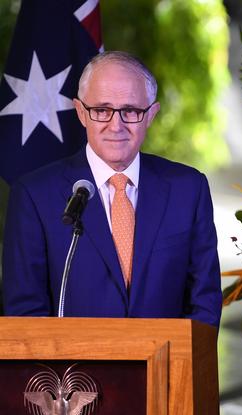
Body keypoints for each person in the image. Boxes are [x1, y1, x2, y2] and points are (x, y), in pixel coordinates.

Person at [2, 51, 222, 327]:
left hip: (167, 365)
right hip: (73, 369)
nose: (115, 125)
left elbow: (205, 303)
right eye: (102, 110)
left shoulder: (188, 189)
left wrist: (181, 367)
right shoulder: (34, 195)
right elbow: (25, 313)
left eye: (130, 111)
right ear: (82, 113)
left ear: (151, 114)